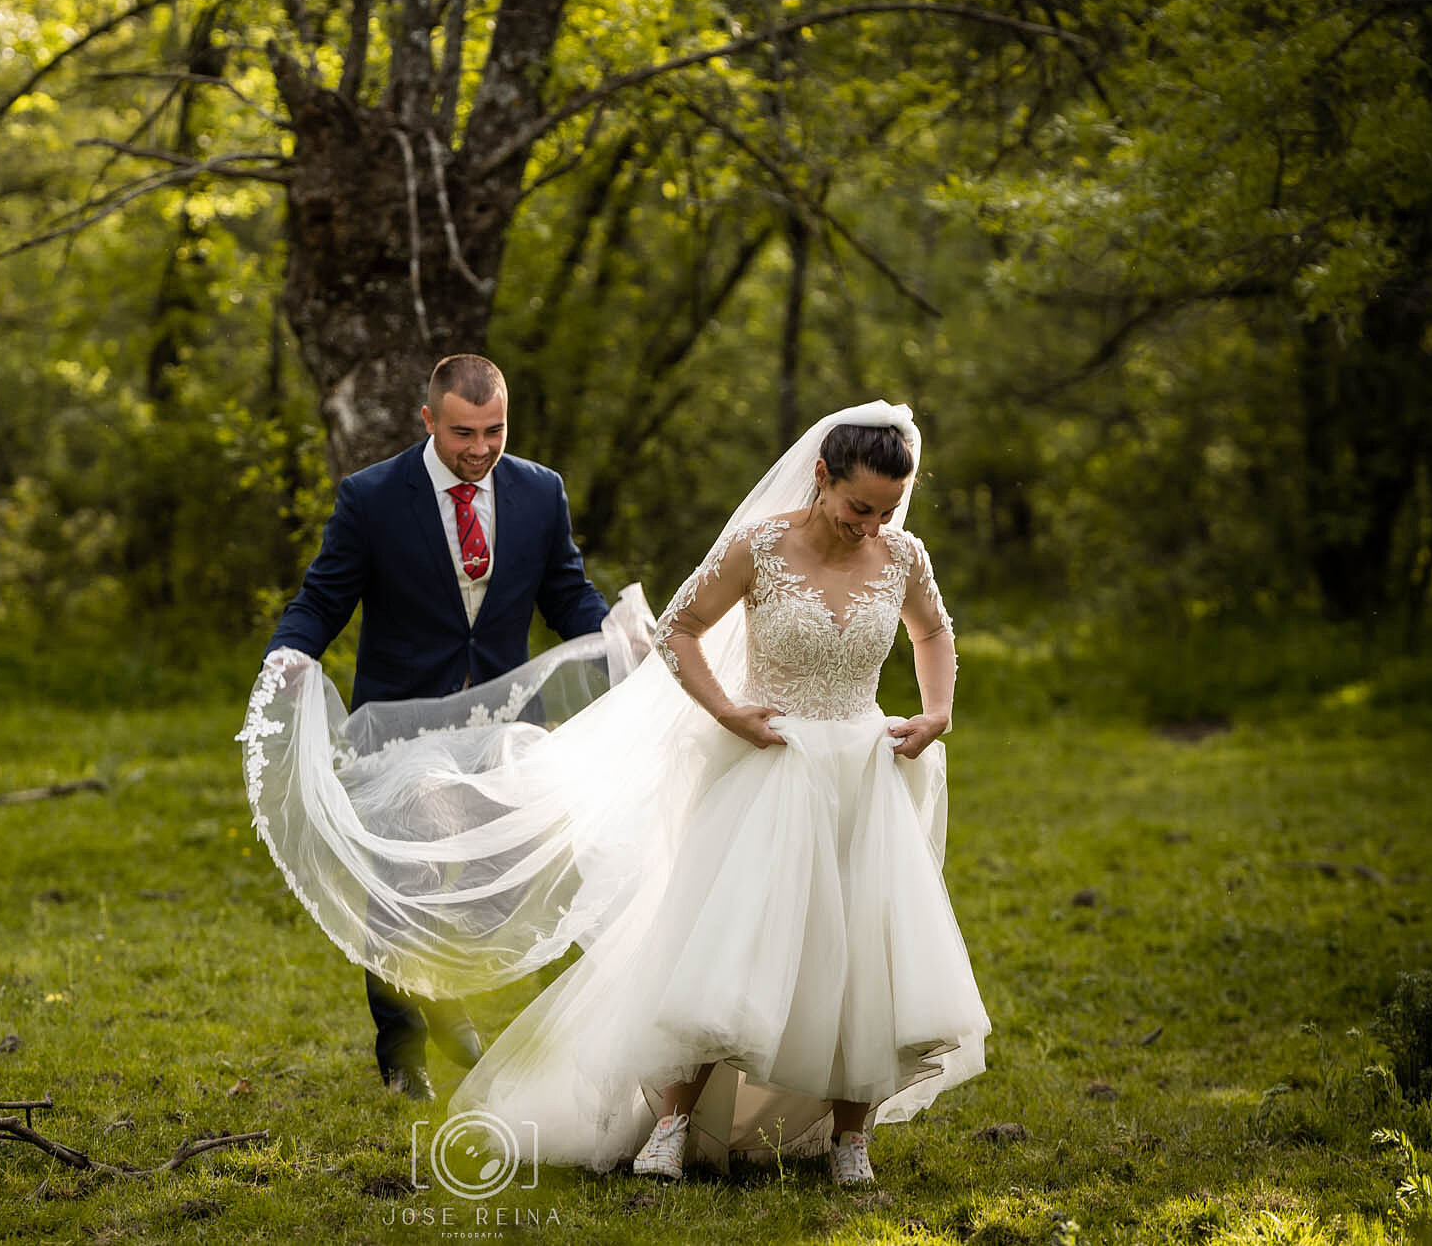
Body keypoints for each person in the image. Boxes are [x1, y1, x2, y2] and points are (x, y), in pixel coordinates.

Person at [241, 399, 986, 1188]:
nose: (869, 525)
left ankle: (849, 1137)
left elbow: (932, 631)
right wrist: (728, 710)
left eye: (886, 511)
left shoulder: (902, 556)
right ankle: (667, 1122)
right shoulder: (762, 546)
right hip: (772, 767)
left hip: (863, 773)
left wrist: (936, 710)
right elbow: (681, 629)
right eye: (858, 506)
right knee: (725, 945)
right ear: (822, 476)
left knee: (863, 954)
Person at [260, 353, 613, 1101]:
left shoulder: (539, 491)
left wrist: (615, 640)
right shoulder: (372, 498)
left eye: (494, 430)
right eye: (463, 433)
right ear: (428, 420)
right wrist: (290, 655)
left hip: (503, 722)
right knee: (407, 874)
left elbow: (567, 593)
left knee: (520, 863)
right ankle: (402, 1050)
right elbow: (321, 600)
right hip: (405, 723)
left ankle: (453, 986)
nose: (481, 448)